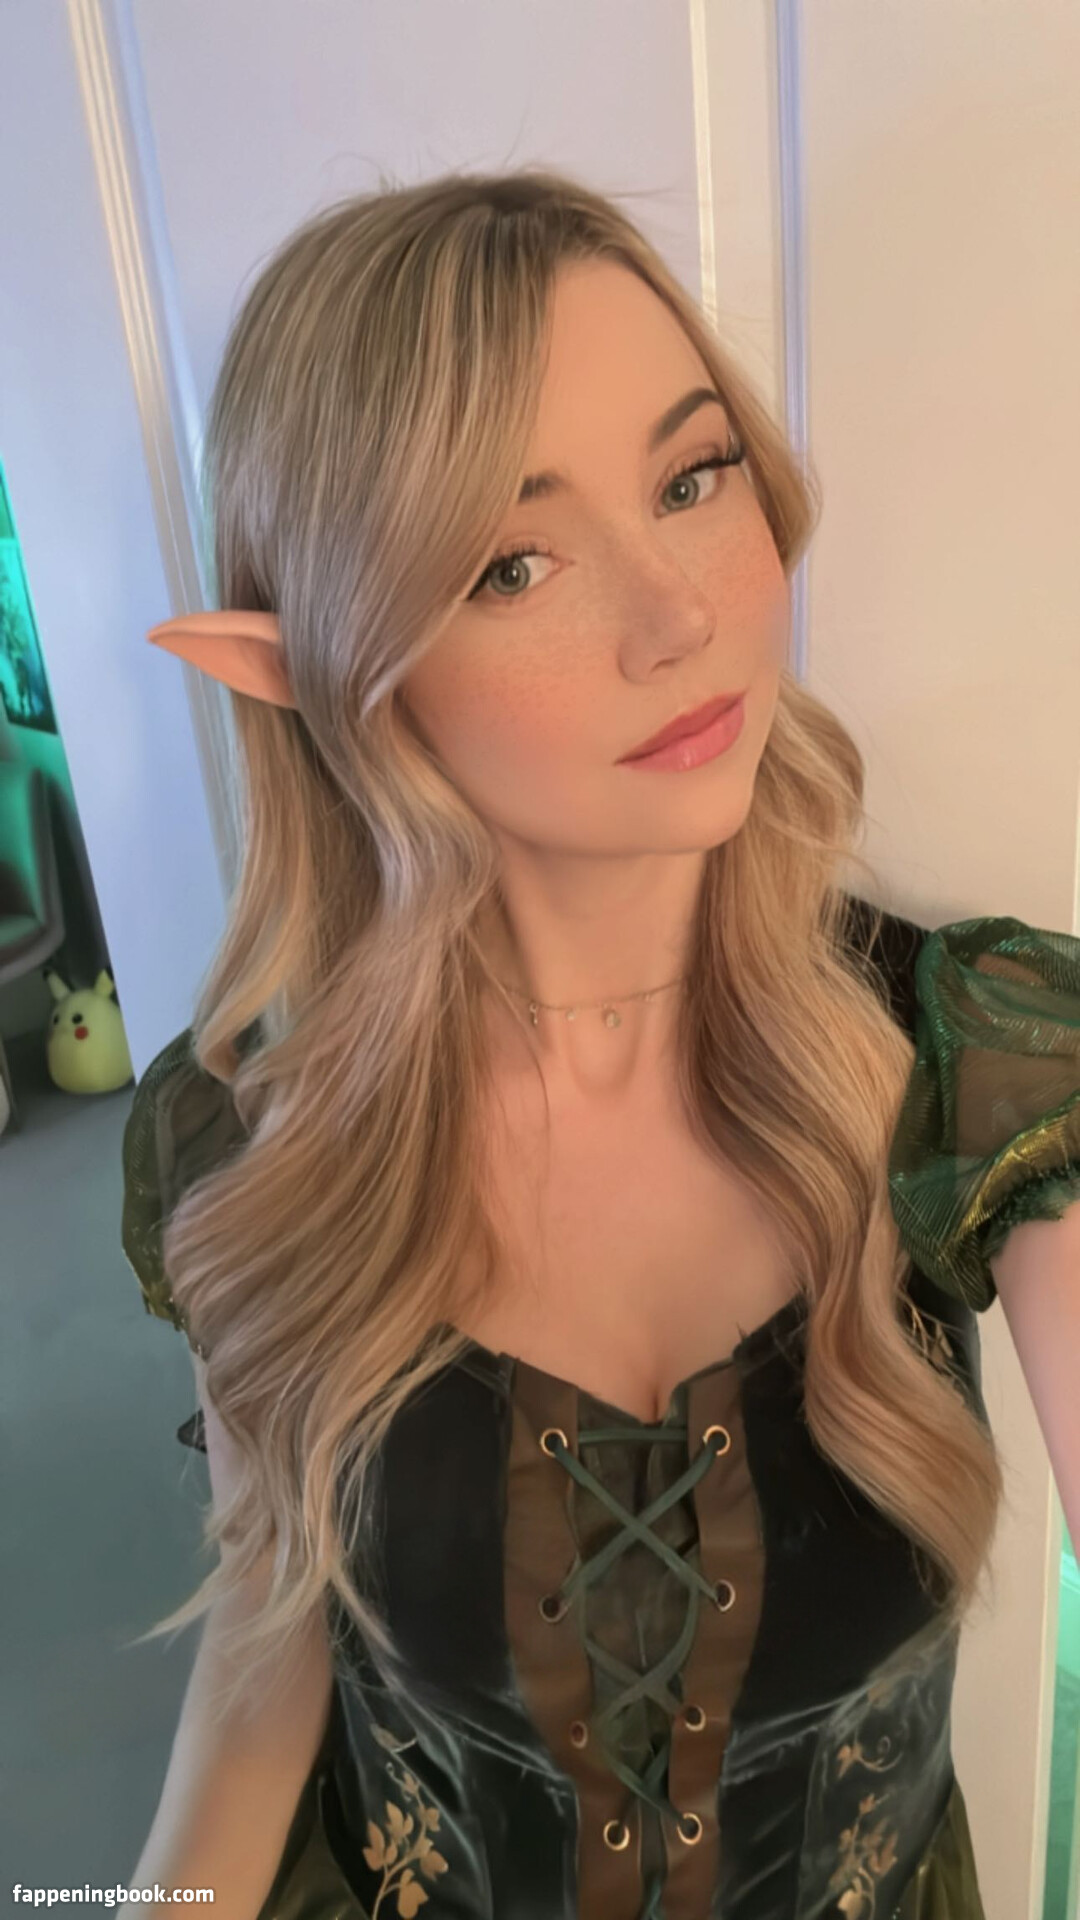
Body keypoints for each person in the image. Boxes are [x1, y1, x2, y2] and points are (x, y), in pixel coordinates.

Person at [120, 167, 1080, 1920]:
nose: (680, 614)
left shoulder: (975, 1063)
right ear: (310, 672)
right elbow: (266, 1657)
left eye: (693, 478)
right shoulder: (250, 1140)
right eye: (515, 562)